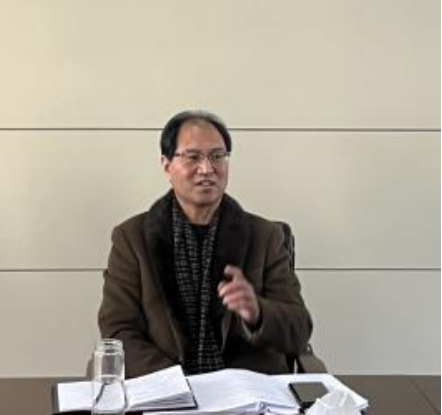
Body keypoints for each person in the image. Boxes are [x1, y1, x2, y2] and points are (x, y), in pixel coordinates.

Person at [98, 110, 313, 378]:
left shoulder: (265, 236)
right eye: (193, 157)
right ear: (166, 165)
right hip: (167, 388)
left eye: (217, 156)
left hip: (246, 389)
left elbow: (299, 330)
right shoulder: (132, 238)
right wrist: (178, 383)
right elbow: (118, 331)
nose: (207, 169)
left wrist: (258, 313)